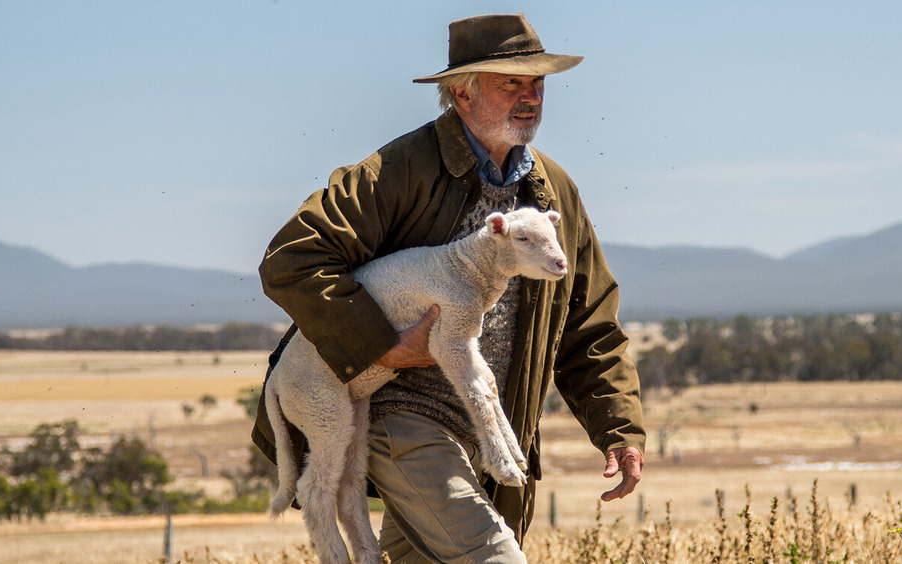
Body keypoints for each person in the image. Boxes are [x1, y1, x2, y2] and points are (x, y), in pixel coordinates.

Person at [251, 13, 646, 563]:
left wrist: (619, 428)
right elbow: (294, 258)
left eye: (537, 83)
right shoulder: (396, 170)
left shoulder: (554, 192)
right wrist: (381, 346)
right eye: (511, 82)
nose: (530, 96)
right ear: (461, 93)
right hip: (401, 411)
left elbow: (589, 323)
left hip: (490, 425)